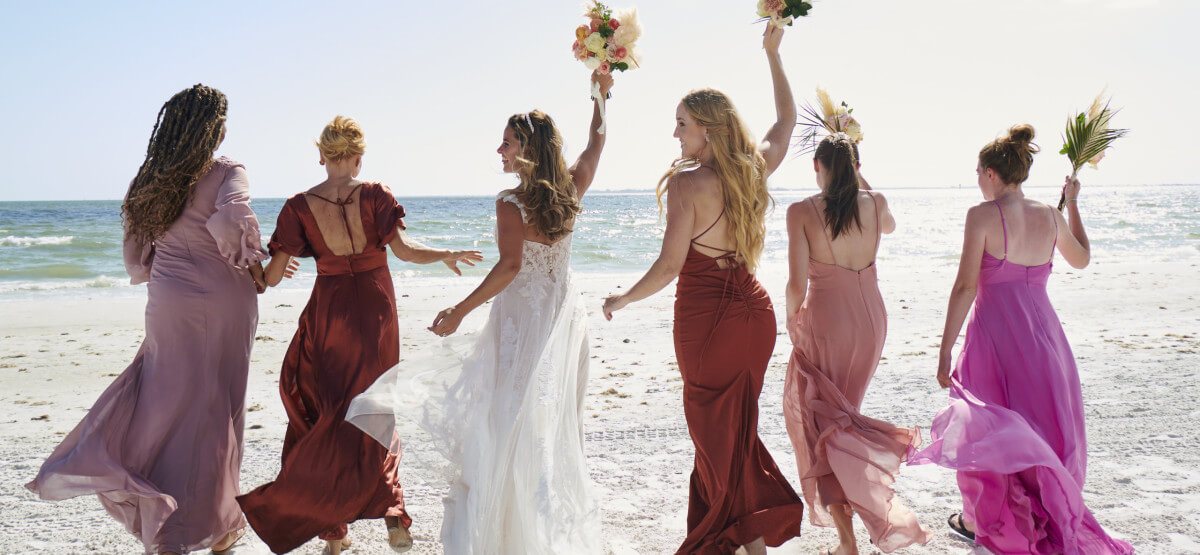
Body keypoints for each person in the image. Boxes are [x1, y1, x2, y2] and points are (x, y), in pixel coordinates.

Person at [349, 71, 613, 554]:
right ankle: (533, 524)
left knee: (507, 417)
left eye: (508, 143)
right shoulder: (572, 188)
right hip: (562, 320)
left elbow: (510, 266)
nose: (500, 151)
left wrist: (460, 310)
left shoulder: (511, 202)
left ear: (528, 149)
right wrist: (600, 98)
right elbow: (596, 144)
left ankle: (507, 532)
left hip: (520, 323)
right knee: (544, 419)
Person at [26, 84, 273, 554]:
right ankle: (216, 528)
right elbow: (233, 218)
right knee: (220, 407)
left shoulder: (151, 179)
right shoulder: (226, 171)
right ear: (213, 128)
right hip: (223, 301)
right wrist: (256, 266)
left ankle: (173, 520)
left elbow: (138, 251)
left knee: (164, 398)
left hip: (169, 299)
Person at [601, 26, 805, 554]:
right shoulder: (751, 170)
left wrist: (623, 298)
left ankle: (746, 541)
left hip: (708, 322)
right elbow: (785, 121)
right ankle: (734, 538)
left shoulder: (690, 184)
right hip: (754, 316)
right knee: (731, 433)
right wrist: (773, 55)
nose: (676, 135)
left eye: (682, 125)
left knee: (717, 434)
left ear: (708, 131)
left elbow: (671, 266)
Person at [236, 116, 481, 554]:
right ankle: (393, 514)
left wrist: (254, 266)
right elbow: (404, 251)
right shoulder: (376, 195)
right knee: (376, 408)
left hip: (330, 311)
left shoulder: (298, 205)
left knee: (327, 408)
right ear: (358, 155)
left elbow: (271, 279)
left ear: (322, 156)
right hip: (375, 309)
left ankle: (334, 533)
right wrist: (447, 253)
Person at [909, 124, 1134, 554]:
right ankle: (1019, 520)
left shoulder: (981, 215)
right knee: (1038, 434)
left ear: (993, 173)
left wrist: (944, 349)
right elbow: (1082, 259)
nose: (977, 179)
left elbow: (964, 288)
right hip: (1044, 341)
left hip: (995, 341)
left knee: (989, 432)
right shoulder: (1051, 215)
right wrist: (1072, 208)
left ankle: (987, 522)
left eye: (978, 171)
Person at [781, 133, 930, 555]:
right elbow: (891, 224)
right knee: (841, 418)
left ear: (816, 166)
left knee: (822, 425)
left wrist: (792, 323)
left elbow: (795, 284)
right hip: (870, 323)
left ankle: (848, 541)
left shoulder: (800, 211)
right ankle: (852, 527)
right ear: (856, 168)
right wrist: (861, 178)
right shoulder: (876, 203)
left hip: (828, 321)